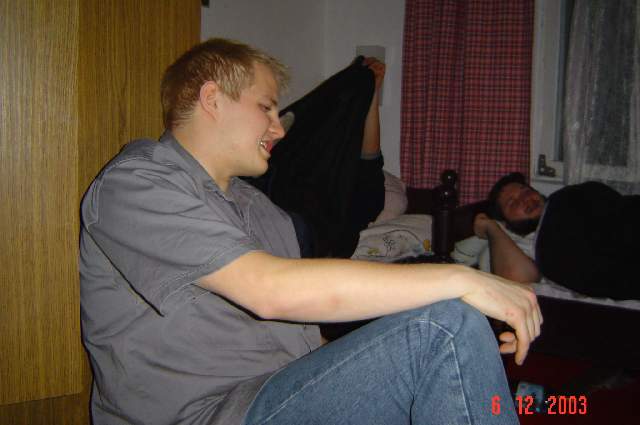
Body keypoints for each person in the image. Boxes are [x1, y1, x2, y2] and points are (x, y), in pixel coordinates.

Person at [80, 38, 541, 424]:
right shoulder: (136, 182)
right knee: (443, 326)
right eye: (266, 108)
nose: (279, 129)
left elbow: (301, 338)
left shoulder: (264, 211)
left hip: (276, 394)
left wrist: (378, 350)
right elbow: (269, 291)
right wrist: (462, 278)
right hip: (204, 415)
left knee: (440, 336)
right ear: (213, 99)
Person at [248, 56, 387, 258]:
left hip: (314, 234)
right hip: (286, 208)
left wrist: (368, 91)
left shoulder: (361, 195)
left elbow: (370, 160)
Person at [474, 172, 640, 300]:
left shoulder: (565, 199)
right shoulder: (545, 250)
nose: (524, 200)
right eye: (512, 203)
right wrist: (492, 228)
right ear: (507, 225)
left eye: (526, 191)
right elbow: (516, 282)